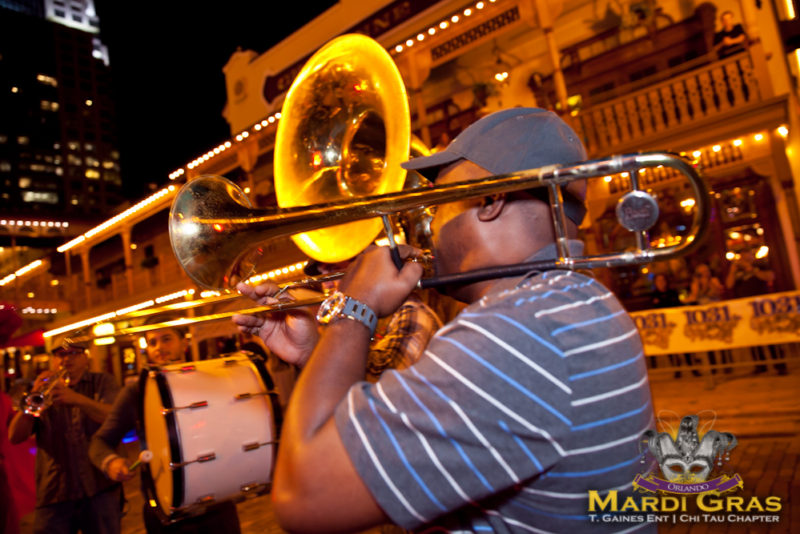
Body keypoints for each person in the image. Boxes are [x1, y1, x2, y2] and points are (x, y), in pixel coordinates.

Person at [236, 108, 655, 532]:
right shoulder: (570, 305)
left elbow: (305, 498)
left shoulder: (523, 330)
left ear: (491, 200)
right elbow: (413, 437)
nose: (430, 224)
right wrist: (318, 352)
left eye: (439, 202)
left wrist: (353, 307)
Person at [88, 314, 241, 534]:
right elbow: (99, 442)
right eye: (152, 343)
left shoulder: (208, 380)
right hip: (164, 510)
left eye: (167, 339)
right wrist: (110, 462)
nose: (159, 347)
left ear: (184, 344)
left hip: (216, 504)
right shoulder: (136, 392)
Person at [8, 338, 122, 534]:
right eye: (60, 354)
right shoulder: (44, 389)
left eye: (74, 353)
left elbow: (115, 418)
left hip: (99, 489)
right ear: (53, 361)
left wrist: (76, 399)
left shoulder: (103, 382)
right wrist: (35, 396)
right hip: (54, 494)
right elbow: (15, 436)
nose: (66, 359)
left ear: (86, 357)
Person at [725, 251, 786, 375]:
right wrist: (732, 271)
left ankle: (780, 365)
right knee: (752, 338)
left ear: (752, 258)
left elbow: (770, 277)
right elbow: (729, 285)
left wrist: (751, 269)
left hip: (763, 307)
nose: (744, 260)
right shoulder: (737, 271)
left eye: (747, 258)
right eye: (742, 258)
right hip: (746, 309)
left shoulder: (761, 265)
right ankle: (760, 365)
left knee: (770, 336)